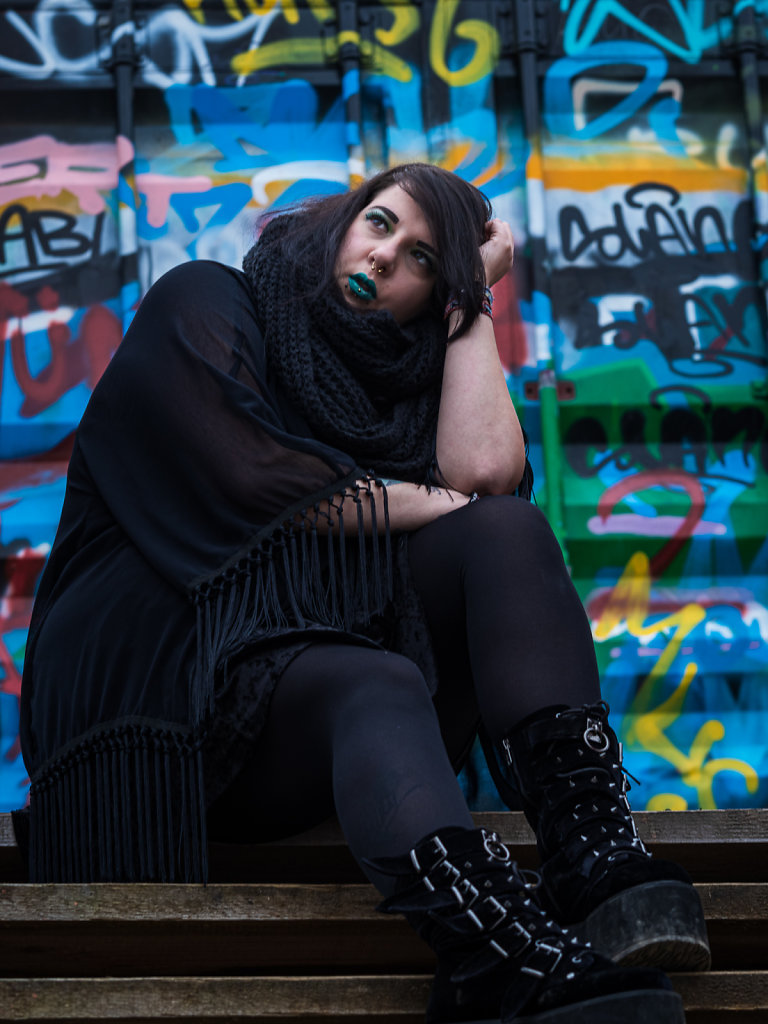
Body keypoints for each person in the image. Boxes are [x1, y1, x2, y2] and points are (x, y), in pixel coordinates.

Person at [18, 163, 709, 1023]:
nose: (385, 257)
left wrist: (472, 306)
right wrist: (443, 502)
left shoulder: (412, 377)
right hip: (178, 706)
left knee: (505, 530)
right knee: (375, 677)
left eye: (422, 258)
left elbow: (488, 478)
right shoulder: (208, 300)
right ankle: (492, 952)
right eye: (379, 223)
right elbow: (264, 483)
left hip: (319, 706)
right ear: (340, 222)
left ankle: (592, 854)